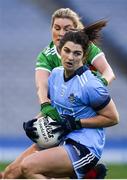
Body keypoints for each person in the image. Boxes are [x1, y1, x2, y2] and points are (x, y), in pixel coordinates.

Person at [1, 8, 115, 179]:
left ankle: (83, 171)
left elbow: (109, 75)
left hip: (82, 140)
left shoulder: (88, 76)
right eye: (57, 27)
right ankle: (84, 174)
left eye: (67, 28)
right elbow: (45, 92)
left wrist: (97, 86)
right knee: (10, 174)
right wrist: (37, 121)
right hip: (61, 130)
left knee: (30, 169)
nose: (61, 33)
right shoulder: (54, 71)